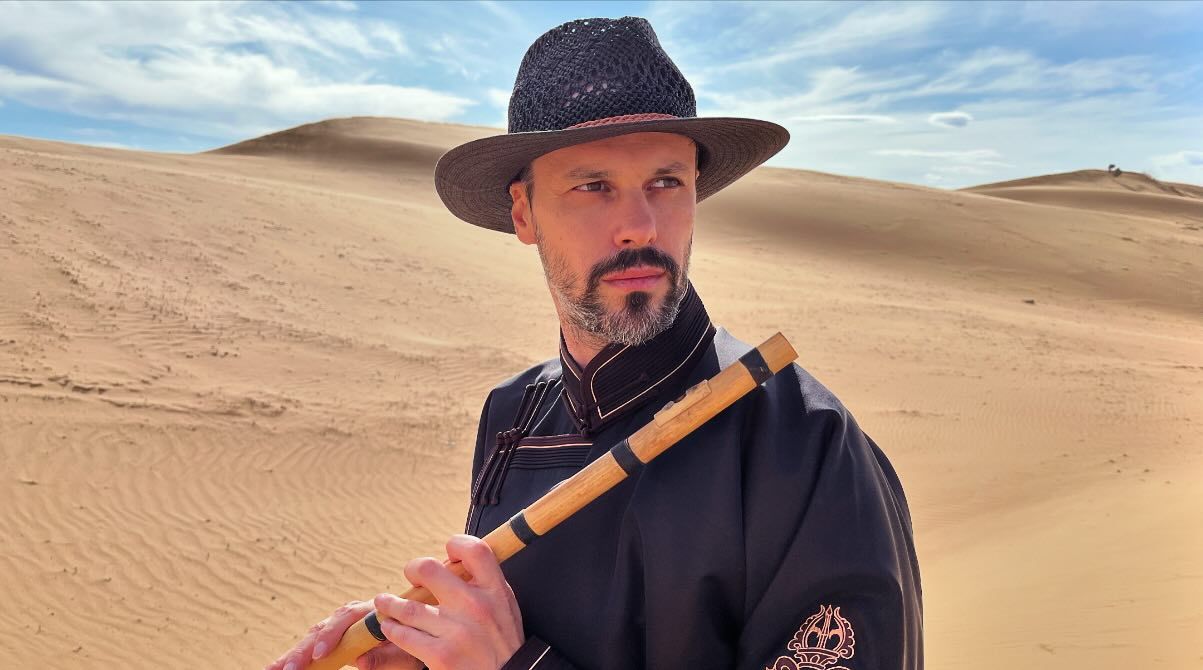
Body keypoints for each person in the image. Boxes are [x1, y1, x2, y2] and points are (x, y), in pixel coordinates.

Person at [268, 16, 921, 670]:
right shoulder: (512, 413)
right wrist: (428, 648)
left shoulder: (802, 441)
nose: (639, 226)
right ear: (523, 213)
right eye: (593, 187)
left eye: (666, 182)